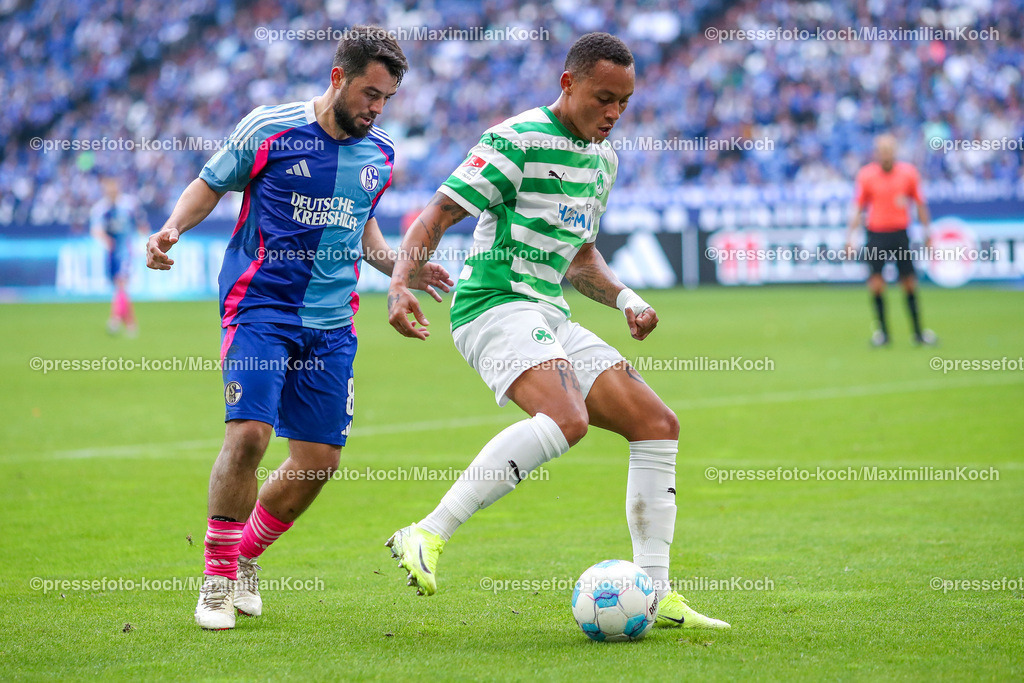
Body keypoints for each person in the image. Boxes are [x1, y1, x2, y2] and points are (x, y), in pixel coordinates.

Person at [384, 32, 729, 630]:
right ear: (568, 84)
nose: (614, 114)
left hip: (548, 312)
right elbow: (436, 214)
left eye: (624, 102)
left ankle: (655, 590)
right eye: (604, 99)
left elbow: (579, 255)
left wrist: (626, 298)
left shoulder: (603, 160)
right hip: (493, 304)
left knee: (657, 424)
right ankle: (427, 532)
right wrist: (398, 283)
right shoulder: (516, 140)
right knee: (567, 419)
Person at [144, 26, 452, 630]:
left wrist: (401, 267)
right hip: (260, 307)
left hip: (332, 323)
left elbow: (361, 228)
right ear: (338, 78)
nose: (377, 108)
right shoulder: (270, 127)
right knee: (250, 437)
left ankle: (245, 556)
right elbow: (210, 183)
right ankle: (216, 581)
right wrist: (173, 228)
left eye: (387, 98)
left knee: (317, 460)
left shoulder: (380, 153)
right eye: (369, 94)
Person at [846, 134, 936, 346]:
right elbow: (858, 207)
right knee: (876, 284)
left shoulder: (908, 173)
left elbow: (920, 204)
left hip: (900, 234)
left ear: (895, 151)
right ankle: (883, 334)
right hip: (876, 235)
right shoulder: (866, 175)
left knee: (909, 283)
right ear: (876, 153)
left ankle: (918, 333)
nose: (885, 154)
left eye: (889, 150)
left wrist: (928, 233)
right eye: (882, 150)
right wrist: (850, 237)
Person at [90, 175, 148, 336]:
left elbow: (142, 225)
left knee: (121, 283)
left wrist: (144, 243)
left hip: (126, 250)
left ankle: (115, 319)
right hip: (111, 253)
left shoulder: (129, 204)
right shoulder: (100, 209)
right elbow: (95, 230)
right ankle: (130, 324)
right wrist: (105, 240)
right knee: (120, 288)